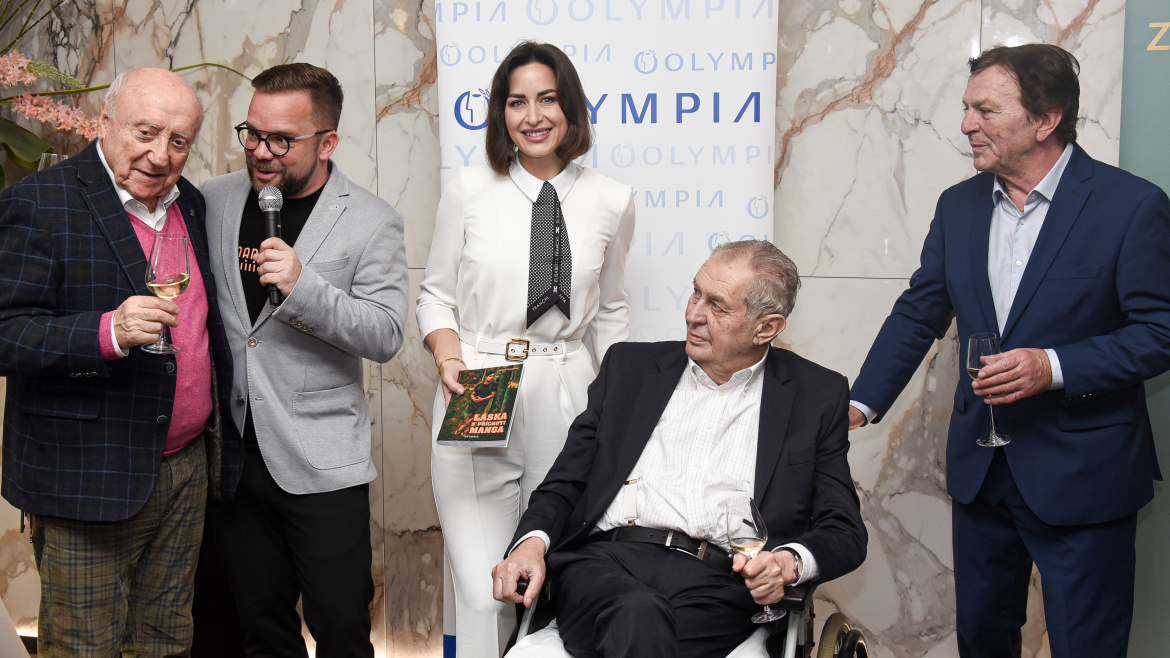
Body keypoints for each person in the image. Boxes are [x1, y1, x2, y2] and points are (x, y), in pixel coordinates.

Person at [848, 44, 1170, 658]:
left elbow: (1159, 331)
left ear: (1046, 120)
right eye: (967, 108)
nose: (966, 124)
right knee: (982, 642)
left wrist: (1052, 366)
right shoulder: (958, 206)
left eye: (986, 110)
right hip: (982, 473)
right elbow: (919, 312)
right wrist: (859, 404)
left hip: (1085, 476)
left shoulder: (1131, 206)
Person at [492, 240, 867, 658]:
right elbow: (566, 481)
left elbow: (844, 529)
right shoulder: (630, 369)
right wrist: (531, 542)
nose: (693, 314)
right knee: (636, 612)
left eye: (717, 306)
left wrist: (789, 562)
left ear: (766, 328)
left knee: (643, 622)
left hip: (721, 584)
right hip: (606, 565)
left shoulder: (816, 396)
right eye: (695, 293)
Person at [0, 67, 240, 656]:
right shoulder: (39, 202)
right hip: (88, 472)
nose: (160, 155)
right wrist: (107, 332)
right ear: (104, 123)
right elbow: (6, 333)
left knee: (168, 640)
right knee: (85, 646)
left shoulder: (192, 205)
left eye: (178, 141)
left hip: (184, 469)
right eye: (145, 132)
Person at [417, 41, 636, 656]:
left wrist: (617, 402)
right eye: (517, 102)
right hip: (478, 381)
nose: (533, 116)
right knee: (483, 590)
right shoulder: (468, 188)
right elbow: (434, 296)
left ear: (571, 108)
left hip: (567, 388)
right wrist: (450, 358)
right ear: (500, 112)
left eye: (548, 99)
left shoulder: (612, 199)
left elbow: (611, 309)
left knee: (548, 578)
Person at [199, 63, 408, 657]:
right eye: (252, 133)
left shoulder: (371, 220)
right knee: (262, 629)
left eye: (282, 140)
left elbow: (386, 333)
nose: (261, 152)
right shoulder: (213, 199)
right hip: (233, 460)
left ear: (327, 142)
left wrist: (303, 287)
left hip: (321, 461)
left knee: (341, 627)